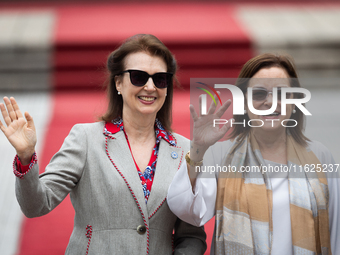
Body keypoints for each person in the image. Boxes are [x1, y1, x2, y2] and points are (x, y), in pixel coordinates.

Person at [0, 34, 206, 255]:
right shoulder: (86, 139)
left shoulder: (186, 151)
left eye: (160, 79)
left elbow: (191, 236)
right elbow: (36, 205)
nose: (150, 86)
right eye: (138, 77)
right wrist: (25, 156)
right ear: (118, 82)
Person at [167, 53, 339, 255]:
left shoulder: (320, 156)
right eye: (259, 94)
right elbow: (189, 211)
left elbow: (335, 235)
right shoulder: (221, 156)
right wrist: (198, 150)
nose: (270, 102)